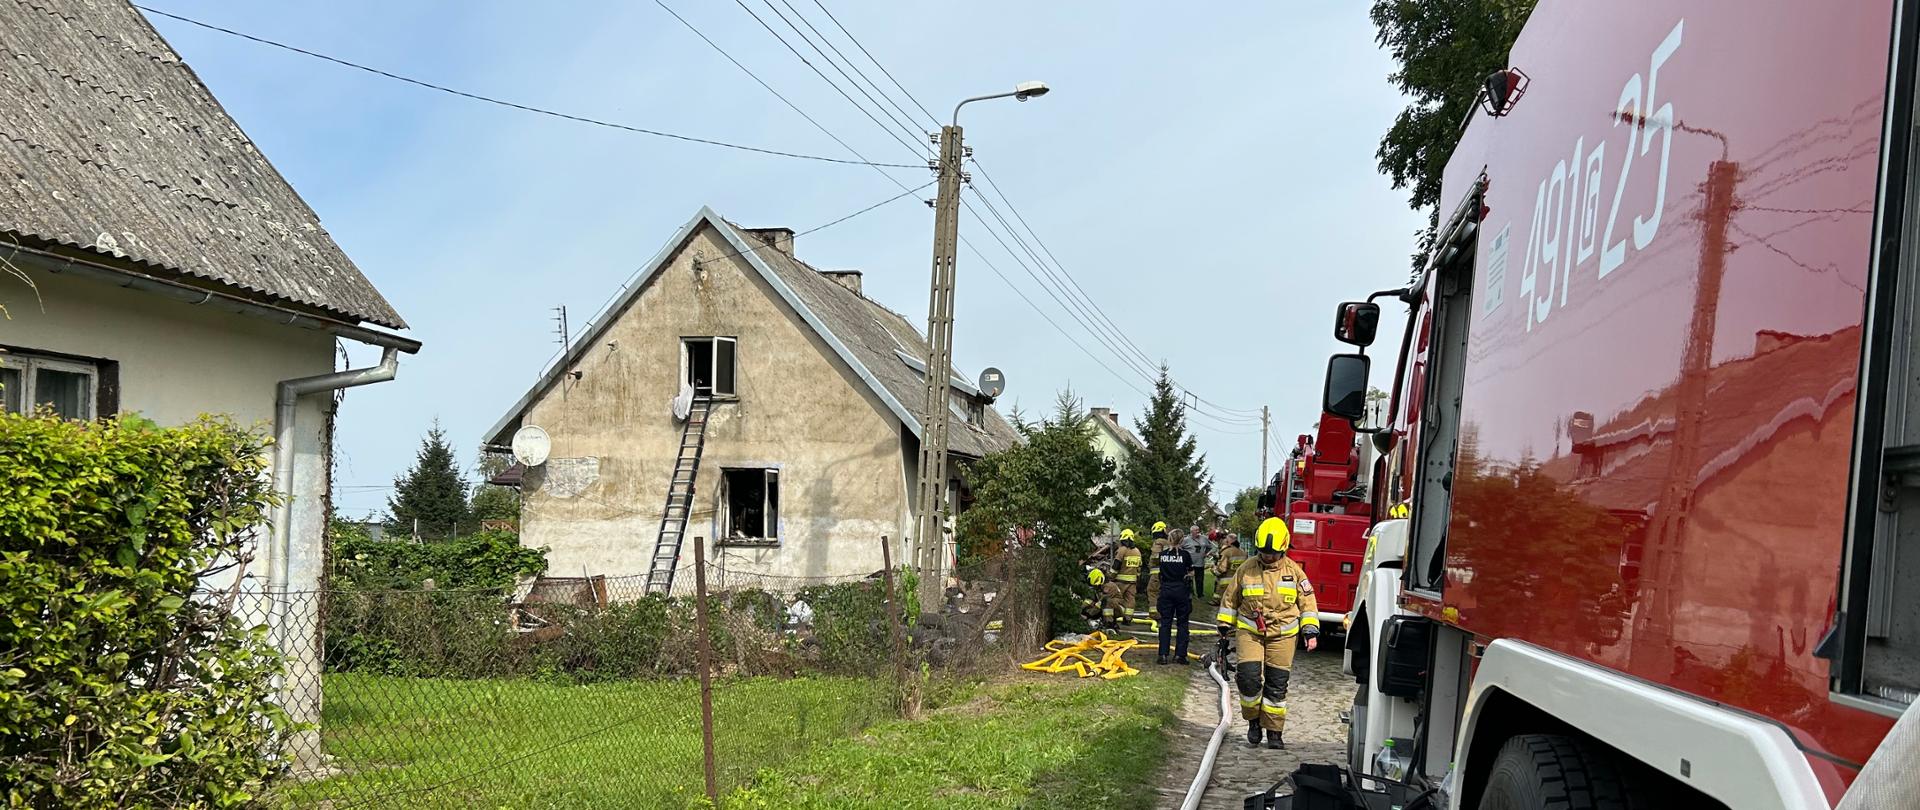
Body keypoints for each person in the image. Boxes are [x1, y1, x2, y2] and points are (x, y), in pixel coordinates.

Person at [1219, 517, 1319, 750]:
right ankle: (1253, 721)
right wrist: (1224, 625)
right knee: (1248, 678)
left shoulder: (1294, 572)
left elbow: (1308, 602)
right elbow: (1230, 598)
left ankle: (1274, 731)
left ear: (1283, 548)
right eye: (1263, 552)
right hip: (1250, 630)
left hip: (1283, 634)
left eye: (1272, 553)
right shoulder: (1247, 568)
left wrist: (1310, 629)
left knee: (1276, 683)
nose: (1267, 557)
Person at [1149, 532, 1197, 665]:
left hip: (1166, 590)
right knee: (1182, 623)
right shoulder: (1185, 555)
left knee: (1165, 623)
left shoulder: (1163, 555)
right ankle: (1180, 655)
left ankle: (1163, 655)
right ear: (1182, 541)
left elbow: (1160, 572)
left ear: (1169, 540)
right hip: (1181, 590)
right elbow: (1191, 572)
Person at [1110, 528, 1143, 625]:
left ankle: (1112, 619)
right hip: (1132, 581)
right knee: (1130, 600)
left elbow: (1116, 565)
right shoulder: (1137, 551)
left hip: (1120, 581)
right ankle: (1128, 619)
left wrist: (1110, 576)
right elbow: (1139, 567)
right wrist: (1137, 578)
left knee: (1115, 599)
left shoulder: (1122, 550)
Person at [1211, 533, 1246, 605]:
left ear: (1229, 541)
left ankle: (1216, 601)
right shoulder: (1243, 553)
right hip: (1238, 581)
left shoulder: (1227, 552)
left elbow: (1222, 569)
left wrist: (1213, 570)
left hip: (1225, 582)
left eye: (1226, 540)